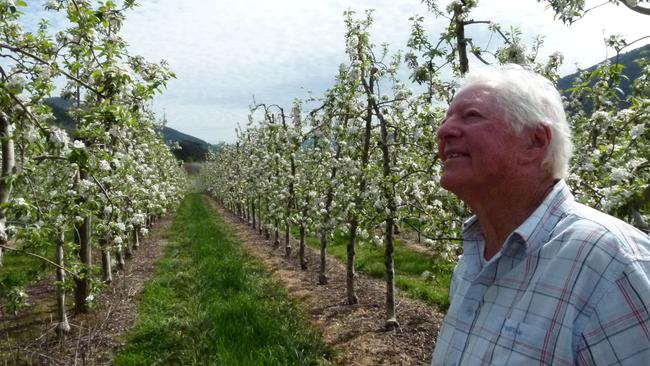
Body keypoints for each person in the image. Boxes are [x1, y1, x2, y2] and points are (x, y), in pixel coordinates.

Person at [430, 64, 650, 365]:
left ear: (534, 142)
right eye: (447, 118)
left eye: (472, 116)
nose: (444, 130)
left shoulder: (610, 264)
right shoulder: (472, 264)